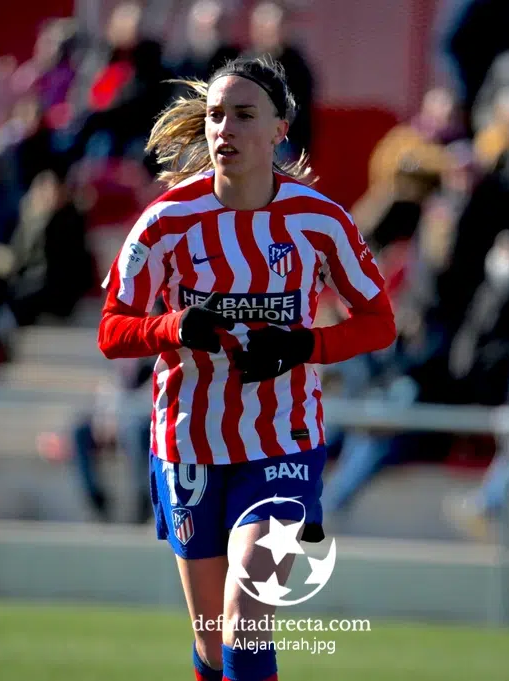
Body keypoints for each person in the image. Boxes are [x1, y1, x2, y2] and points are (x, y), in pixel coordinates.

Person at [97, 56, 395, 681]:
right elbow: (111, 330)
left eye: (243, 115)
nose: (224, 129)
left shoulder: (320, 220)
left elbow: (378, 322)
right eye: (214, 116)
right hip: (188, 441)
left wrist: (303, 347)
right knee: (213, 646)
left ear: (280, 128)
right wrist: (172, 327)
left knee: (247, 616)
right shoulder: (166, 222)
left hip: (283, 438)